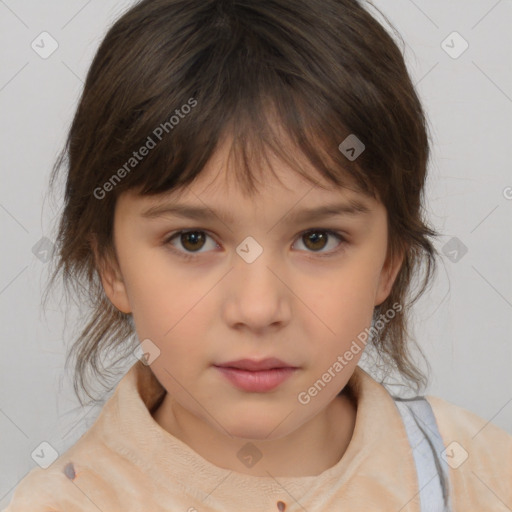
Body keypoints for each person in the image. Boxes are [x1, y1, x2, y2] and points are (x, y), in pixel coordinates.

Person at [3, 0, 511, 510]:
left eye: (317, 239)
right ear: (111, 265)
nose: (258, 308)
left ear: (388, 263)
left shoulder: (479, 474)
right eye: (193, 240)